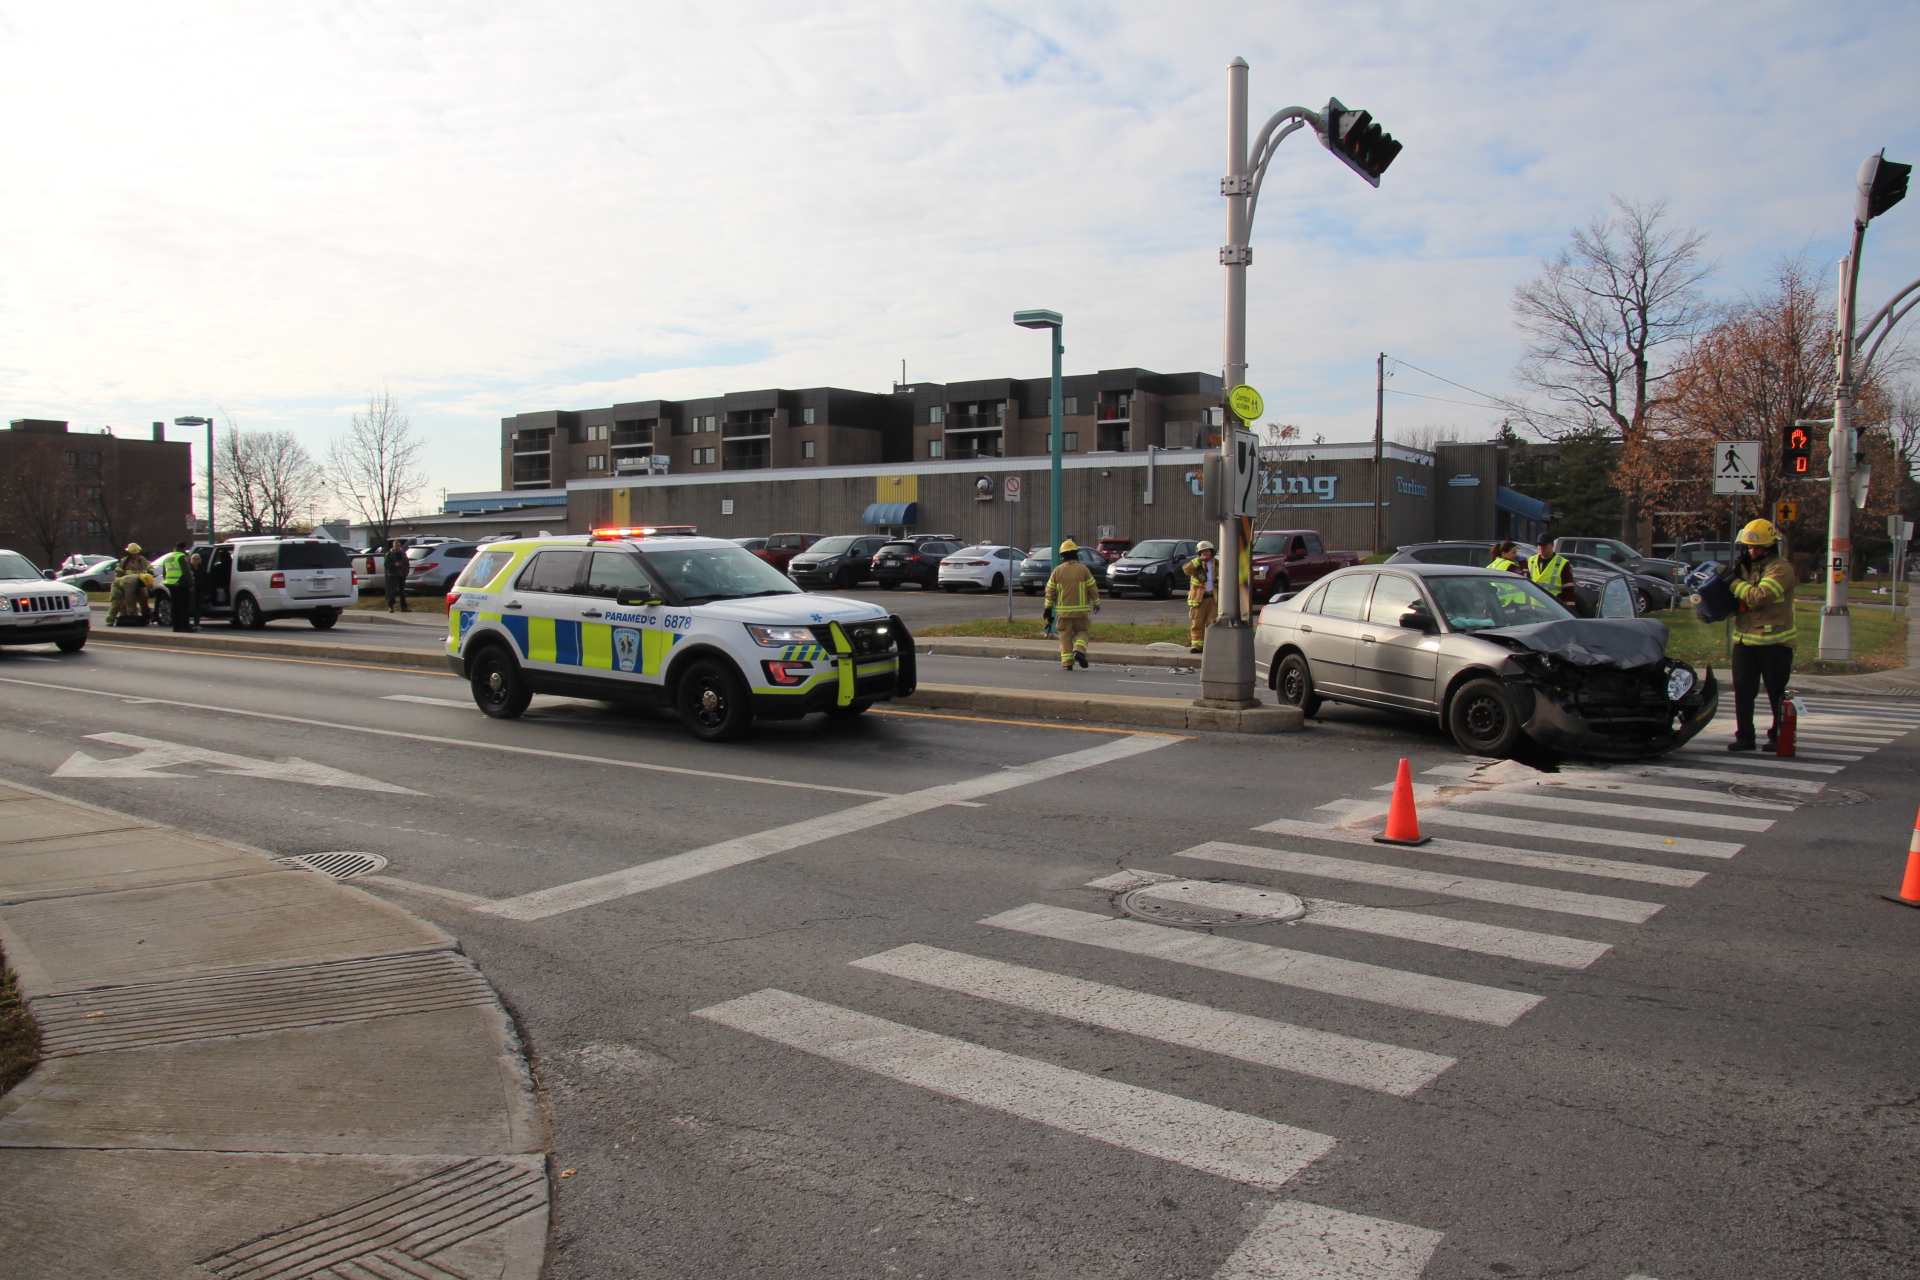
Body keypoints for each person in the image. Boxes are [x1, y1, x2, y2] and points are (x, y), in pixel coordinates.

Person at [1727, 518, 1798, 753]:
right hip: (1745, 641)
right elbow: (1736, 600)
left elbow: (1760, 596)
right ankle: (1744, 737)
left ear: (1770, 547)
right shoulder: (1747, 566)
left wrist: (1733, 582)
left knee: (1776, 692)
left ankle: (1778, 736)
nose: (1752, 551)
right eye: (1748, 547)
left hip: (1775, 643)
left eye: (1757, 547)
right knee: (1743, 691)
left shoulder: (1781, 568)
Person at [1044, 539, 1099, 670]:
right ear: (1076, 554)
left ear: (1062, 556)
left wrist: (1047, 608)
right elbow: (1092, 588)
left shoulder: (1057, 571)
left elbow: (1050, 591)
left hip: (1063, 613)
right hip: (1081, 612)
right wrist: (1096, 603)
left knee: (1065, 637)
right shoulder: (1083, 569)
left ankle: (1068, 663)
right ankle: (1079, 650)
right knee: (1082, 632)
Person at [1183, 541, 1219, 655]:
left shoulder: (1219, 564)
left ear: (1212, 552)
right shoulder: (1196, 564)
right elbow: (1186, 570)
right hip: (1199, 599)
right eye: (1202, 552)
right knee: (1197, 623)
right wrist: (1198, 561)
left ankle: (1210, 646)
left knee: (1212, 623)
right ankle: (1197, 646)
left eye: (1207, 551)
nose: (1205, 554)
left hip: (1214, 599)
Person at [1525, 536, 1578, 611]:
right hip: (1534, 609)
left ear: (1552, 545)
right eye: (1539, 545)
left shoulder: (1562, 563)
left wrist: (1570, 611)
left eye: (1544, 545)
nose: (1541, 547)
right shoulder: (1531, 560)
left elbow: (1568, 590)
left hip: (1553, 609)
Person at [105, 543, 152, 626]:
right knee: (120, 604)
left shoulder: (141, 560)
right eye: (133, 554)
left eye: (136, 554)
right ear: (129, 553)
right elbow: (129, 598)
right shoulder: (125, 561)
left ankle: (145, 617)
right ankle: (112, 620)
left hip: (139, 582)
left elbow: (149, 567)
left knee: (144, 600)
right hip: (124, 584)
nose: (135, 555)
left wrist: (150, 572)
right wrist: (133, 614)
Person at [163, 541, 195, 632]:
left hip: (171, 583)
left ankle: (176, 626)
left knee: (175, 606)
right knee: (184, 606)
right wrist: (191, 584)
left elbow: (164, 571)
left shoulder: (168, 556)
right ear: (184, 548)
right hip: (181, 584)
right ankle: (184, 626)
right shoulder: (182, 556)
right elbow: (187, 572)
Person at [383, 540, 411, 612]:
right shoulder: (389, 554)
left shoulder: (403, 554)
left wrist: (406, 570)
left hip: (402, 574)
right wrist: (394, 564)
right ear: (393, 546)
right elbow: (386, 564)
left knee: (402, 591)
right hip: (393, 575)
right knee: (393, 591)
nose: (397, 547)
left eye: (398, 545)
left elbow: (407, 563)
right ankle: (391, 606)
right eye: (396, 546)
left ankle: (404, 607)